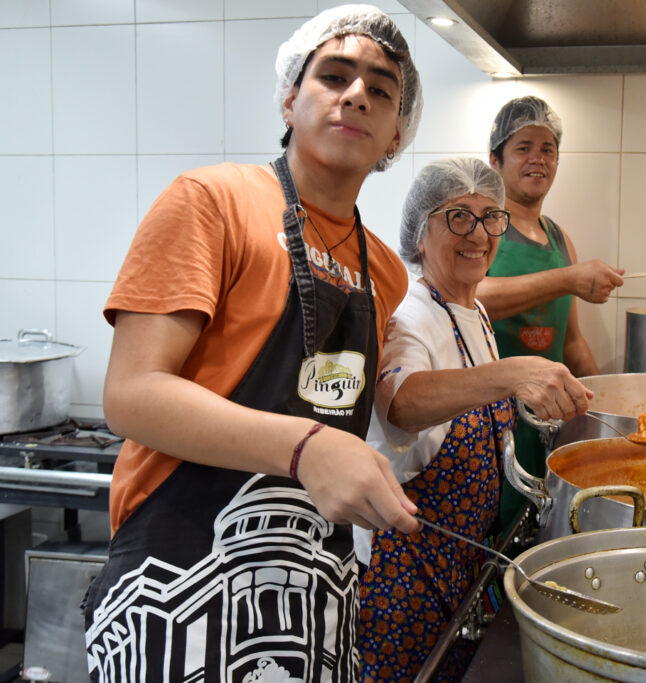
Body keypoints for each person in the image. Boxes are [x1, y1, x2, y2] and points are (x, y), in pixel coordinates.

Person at [82, 7, 423, 681]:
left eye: (381, 89)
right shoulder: (214, 202)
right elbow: (131, 394)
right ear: (292, 98)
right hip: (182, 578)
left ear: (396, 135)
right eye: (333, 75)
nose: (356, 93)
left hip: (315, 588)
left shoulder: (383, 269)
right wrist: (306, 449)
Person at [356, 157, 591, 682]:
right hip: (404, 573)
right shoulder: (408, 314)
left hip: (457, 564)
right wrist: (510, 374)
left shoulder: (472, 310)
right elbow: (402, 402)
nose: (479, 234)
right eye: (458, 217)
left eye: (491, 217)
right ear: (420, 235)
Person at [475, 96, 625, 528]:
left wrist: (605, 412)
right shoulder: (482, 226)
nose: (537, 159)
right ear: (495, 160)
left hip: (547, 430)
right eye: (523, 148)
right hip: (491, 426)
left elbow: (572, 343)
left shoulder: (559, 238)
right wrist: (567, 279)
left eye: (548, 149)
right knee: (491, 544)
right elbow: (471, 297)